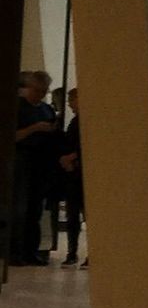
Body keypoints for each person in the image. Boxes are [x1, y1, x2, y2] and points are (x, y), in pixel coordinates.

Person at [13, 71, 57, 265]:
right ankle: (15, 252)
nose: (40, 94)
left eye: (44, 91)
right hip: (21, 159)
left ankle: (31, 251)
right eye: (37, 90)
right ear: (28, 88)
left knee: (35, 209)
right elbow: (12, 136)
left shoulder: (47, 110)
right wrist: (34, 128)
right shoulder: (18, 108)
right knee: (19, 208)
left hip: (41, 162)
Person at [57, 87, 84, 267]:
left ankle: (72, 252)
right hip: (74, 172)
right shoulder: (76, 122)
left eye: (71, 100)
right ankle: (73, 252)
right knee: (74, 214)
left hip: (77, 172)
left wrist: (69, 157)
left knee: (74, 214)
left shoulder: (79, 122)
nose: (69, 104)